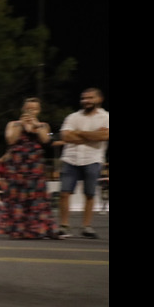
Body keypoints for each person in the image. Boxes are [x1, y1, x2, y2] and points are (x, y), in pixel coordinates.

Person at [0, 97, 61, 239]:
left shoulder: (43, 125)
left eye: (34, 109)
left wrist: (36, 126)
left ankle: (37, 229)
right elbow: (10, 140)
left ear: (39, 110)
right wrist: (21, 125)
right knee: (17, 197)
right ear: (23, 109)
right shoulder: (13, 124)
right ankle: (18, 229)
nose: (31, 111)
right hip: (17, 167)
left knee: (36, 197)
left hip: (35, 167)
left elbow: (45, 140)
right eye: (28, 108)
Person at [57, 88, 109, 238]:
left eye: (90, 98)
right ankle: (64, 226)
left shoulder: (106, 117)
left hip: (92, 159)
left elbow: (105, 135)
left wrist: (78, 133)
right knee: (64, 193)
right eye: (84, 98)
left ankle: (87, 226)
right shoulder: (73, 117)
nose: (86, 101)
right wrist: (94, 136)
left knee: (90, 194)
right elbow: (66, 136)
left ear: (99, 99)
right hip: (70, 158)